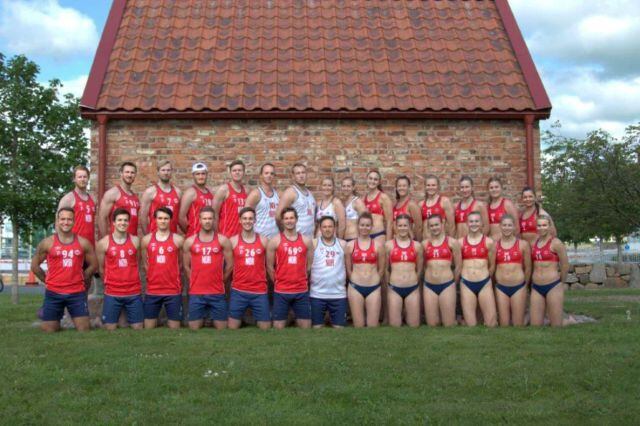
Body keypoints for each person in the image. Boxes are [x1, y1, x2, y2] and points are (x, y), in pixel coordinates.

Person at [30, 207, 97, 332]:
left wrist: (84, 276)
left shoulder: (84, 243)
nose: (66, 222)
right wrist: (47, 280)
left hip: (76, 293)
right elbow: (34, 266)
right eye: (63, 219)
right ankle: (48, 314)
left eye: (69, 219)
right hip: (53, 293)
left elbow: (94, 265)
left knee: (84, 329)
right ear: (57, 220)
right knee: (49, 330)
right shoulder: (47, 243)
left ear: (74, 221)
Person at [183, 207, 233, 330]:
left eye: (210, 218)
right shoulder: (190, 241)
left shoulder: (223, 240)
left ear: (214, 220)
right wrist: (194, 281)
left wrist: (222, 280)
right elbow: (186, 266)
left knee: (222, 328)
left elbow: (230, 265)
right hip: (197, 293)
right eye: (204, 218)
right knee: (194, 327)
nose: (207, 221)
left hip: (217, 292)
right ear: (199, 220)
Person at [95, 208, 143, 330]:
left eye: (126, 220)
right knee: (110, 328)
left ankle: (123, 320)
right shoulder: (103, 243)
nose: (123, 223)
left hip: (133, 291)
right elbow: (101, 268)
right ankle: (99, 319)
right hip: (112, 291)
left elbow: (137, 262)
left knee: (138, 327)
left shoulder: (136, 241)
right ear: (114, 223)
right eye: (120, 220)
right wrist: (109, 282)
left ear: (129, 223)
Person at [267, 207, 314, 329]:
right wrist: (278, 281)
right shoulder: (275, 241)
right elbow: (270, 267)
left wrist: (302, 278)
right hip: (281, 291)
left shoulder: (306, 241)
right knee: (278, 327)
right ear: (282, 221)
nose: (289, 221)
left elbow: (309, 266)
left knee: (306, 327)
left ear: (296, 219)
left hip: (301, 291)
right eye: (286, 218)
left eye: (291, 218)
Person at [141, 207, 185, 329]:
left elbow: (181, 263)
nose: (163, 221)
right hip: (153, 289)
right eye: (160, 218)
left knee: (175, 327)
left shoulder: (178, 240)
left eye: (166, 218)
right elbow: (145, 263)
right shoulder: (146, 240)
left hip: (173, 289)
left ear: (170, 220)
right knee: (148, 327)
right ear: (154, 220)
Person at [228, 207, 271, 330]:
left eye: (250, 218)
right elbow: (229, 265)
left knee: (265, 328)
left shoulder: (264, 240)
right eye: (245, 218)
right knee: (232, 327)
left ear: (255, 220)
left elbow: (269, 266)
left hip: (259, 291)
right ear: (240, 221)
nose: (248, 221)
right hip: (238, 290)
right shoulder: (233, 241)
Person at [345, 212, 386, 327]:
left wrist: (377, 280)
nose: (364, 228)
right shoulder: (350, 245)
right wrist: (353, 279)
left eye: (367, 225)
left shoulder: (378, 246)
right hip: (355, 287)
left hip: (373, 287)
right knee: (358, 326)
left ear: (371, 227)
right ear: (358, 226)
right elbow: (348, 268)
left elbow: (382, 268)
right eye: (362, 225)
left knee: (373, 326)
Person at [459, 211, 497, 327]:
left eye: (476, 221)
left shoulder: (489, 242)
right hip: (466, 283)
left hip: (484, 283)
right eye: (471, 221)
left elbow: (492, 265)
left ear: (481, 223)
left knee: (491, 324)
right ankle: (462, 319)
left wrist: (485, 277)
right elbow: (458, 264)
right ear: (467, 223)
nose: (474, 224)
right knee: (471, 325)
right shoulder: (460, 242)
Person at [422, 214, 461, 327]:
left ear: (442, 224)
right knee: (432, 324)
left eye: (436, 225)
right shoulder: (425, 244)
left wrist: (453, 283)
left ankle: (454, 319)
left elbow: (458, 266)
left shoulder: (452, 242)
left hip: (447, 285)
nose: (434, 228)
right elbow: (423, 265)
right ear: (429, 228)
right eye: (432, 226)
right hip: (429, 286)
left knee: (448, 324)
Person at [385, 214, 423, 327]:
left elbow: (420, 267)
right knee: (395, 325)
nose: (402, 228)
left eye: (405, 225)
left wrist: (416, 280)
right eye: (400, 225)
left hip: (412, 288)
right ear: (395, 227)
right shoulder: (389, 245)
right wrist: (389, 284)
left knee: (414, 325)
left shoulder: (417, 246)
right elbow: (386, 269)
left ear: (410, 226)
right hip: (394, 288)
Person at [530, 214, 568, 327]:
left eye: (544, 225)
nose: (541, 228)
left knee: (556, 325)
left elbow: (565, 264)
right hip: (536, 287)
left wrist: (561, 282)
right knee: (535, 325)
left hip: (553, 285)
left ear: (550, 226)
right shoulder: (534, 243)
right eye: (539, 225)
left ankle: (569, 321)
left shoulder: (556, 243)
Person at [310, 216, 348, 328]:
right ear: (320, 229)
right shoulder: (313, 244)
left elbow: (348, 266)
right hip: (317, 294)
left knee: (339, 328)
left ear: (335, 228)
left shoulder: (343, 244)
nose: (327, 229)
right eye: (324, 227)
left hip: (338, 294)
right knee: (317, 328)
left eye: (330, 226)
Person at [493, 214, 531, 327]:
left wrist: (525, 285)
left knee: (517, 325)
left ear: (514, 227)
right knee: (504, 324)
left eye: (510, 225)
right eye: (504, 225)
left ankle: (528, 317)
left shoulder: (523, 245)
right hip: (501, 288)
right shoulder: (494, 245)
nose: (507, 228)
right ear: (500, 226)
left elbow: (528, 268)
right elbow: (492, 267)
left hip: (518, 287)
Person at [98, 162, 140, 237]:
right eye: (127, 172)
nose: (129, 175)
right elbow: (102, 217)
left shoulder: (135, 198)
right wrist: (106, 240)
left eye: (132, 173)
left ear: (135, 175)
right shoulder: (112, 193)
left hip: (132, 241)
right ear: (121, 173)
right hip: (116, 241)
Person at [57, 165, 96, 246]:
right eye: (79, 177)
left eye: (85, 177)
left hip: (90, 245)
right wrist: (61, 244)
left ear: (88, 178)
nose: (82, 179)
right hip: (74, 245)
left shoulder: (93, 199)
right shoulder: (68, 198)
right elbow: (58, 222)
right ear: (74, 179)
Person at [139, 160, 181, 234]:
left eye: (168, 170)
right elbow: (143, 217)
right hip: (155, 236)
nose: (166, 173)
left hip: (173, 237)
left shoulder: (178, 192)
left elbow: (180, 217)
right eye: (163, 170)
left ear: (171, 172)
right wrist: (148, 237)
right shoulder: (150, 192)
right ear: (158, 172)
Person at [275, 163, 316, 237]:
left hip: (309, 239)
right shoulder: (291, 192)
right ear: (293, 176)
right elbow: (278, 216)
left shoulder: (310, 194)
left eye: (303, 172)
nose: (301, 176)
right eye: (298, 173)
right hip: (295, 240)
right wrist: (287, 234)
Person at [213, 160, 247, 238]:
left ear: (244, 172)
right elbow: (214, 214)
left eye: (239, 170)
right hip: (226, 236)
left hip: (242, 237)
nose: (237, 172)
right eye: (234, 170)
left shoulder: (247, 191)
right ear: (230, 173)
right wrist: (218, 235)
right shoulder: (223, 190)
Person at [245, 163, 280, 239]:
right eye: (266, 173)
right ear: (261, 175)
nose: (269, 175)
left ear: (274, 176)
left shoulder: (278, 195)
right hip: (259, 240)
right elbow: (245, 217)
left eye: (272, 173)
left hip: (275, 240)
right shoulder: (255, 194)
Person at [179, 162, 214, 238]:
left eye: (203, 174)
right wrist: (191, 232)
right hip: (195, 236)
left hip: (209, 236)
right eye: (197, 174)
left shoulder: (210, 193)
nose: (201, 177)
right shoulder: (190, 193)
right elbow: (181, 217)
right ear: (193, 176)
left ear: (207, 175)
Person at [420, 174, 455, 239]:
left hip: (441, 241)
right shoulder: (421, 204)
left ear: (438, 186)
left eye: (433, 185)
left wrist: (450, 241)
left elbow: (451, 225)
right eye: (428, 185)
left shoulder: (444, 201)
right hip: (426, 241)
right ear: (425, 186)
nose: (431, 187)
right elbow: (419, 226)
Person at [363, 170, 393, 240]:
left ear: (379, 182)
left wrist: (388, 241)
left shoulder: (383, 197)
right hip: (366, 237)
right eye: (370, 178)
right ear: (367, 179)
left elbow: (389, 222)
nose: (372, 181)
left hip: (378, 235)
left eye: (375, 179)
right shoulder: (363, 198)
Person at [487, 177, 519, 241]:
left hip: (505, 243)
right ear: (488, 190)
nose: (494, 189)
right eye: (491, 188)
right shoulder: (487, 206)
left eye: (496, 187)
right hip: (492, 244)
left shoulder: (507, 204)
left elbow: (516, 228)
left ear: (501, 188)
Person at [340, 176, 365, 242]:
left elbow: (365, 221)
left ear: (353, 187)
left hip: (354, 238)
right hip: (342, 239)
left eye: (348, 186)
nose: (346, 188)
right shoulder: (342, 202)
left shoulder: (357, 202)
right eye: (344, 186)